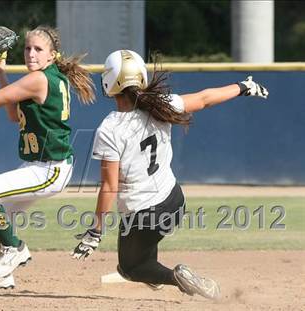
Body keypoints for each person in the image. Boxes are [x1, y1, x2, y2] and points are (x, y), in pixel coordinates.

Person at [71, 50, 268, 300]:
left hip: (142, 213)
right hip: (174, 201)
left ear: (109, 83)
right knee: (142, 248)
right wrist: (243, 86)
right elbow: (205, 98)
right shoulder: (161, 104)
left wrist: (95, 231)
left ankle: (177, 277)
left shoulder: (110, 128)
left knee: (130, 268)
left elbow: (109, 186)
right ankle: (156, 272)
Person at [0, 26, 95, 291]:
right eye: (27, 48)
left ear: (52, 55)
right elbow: (14, 115)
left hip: (50, 169)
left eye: (38, 49)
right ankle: (2, 277)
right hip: (42, 166)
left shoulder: (38, 79)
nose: (31, 54)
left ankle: (15, 249)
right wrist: (1, 72)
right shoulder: (45, 77)